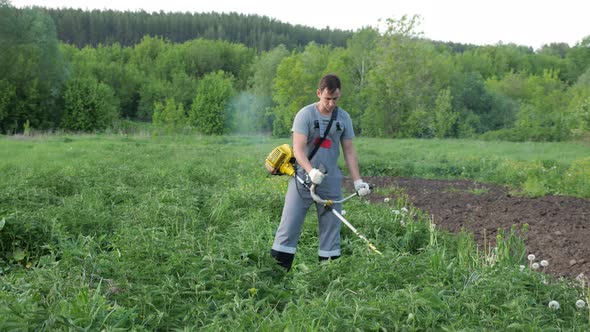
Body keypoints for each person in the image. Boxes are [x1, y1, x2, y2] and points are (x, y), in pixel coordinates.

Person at [270, 74, 371, 271]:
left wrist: (358, 181)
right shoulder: (305, 115)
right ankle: (276, 275)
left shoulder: (343, 118)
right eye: (327, 99)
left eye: (335, 99)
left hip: (330, 181)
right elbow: (298, 149)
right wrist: (310, 171)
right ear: (319, 93)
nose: (331, 103)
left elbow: (349, 151)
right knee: (288, 227)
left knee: (331, 230)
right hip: (302, 180)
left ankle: (328, 278)